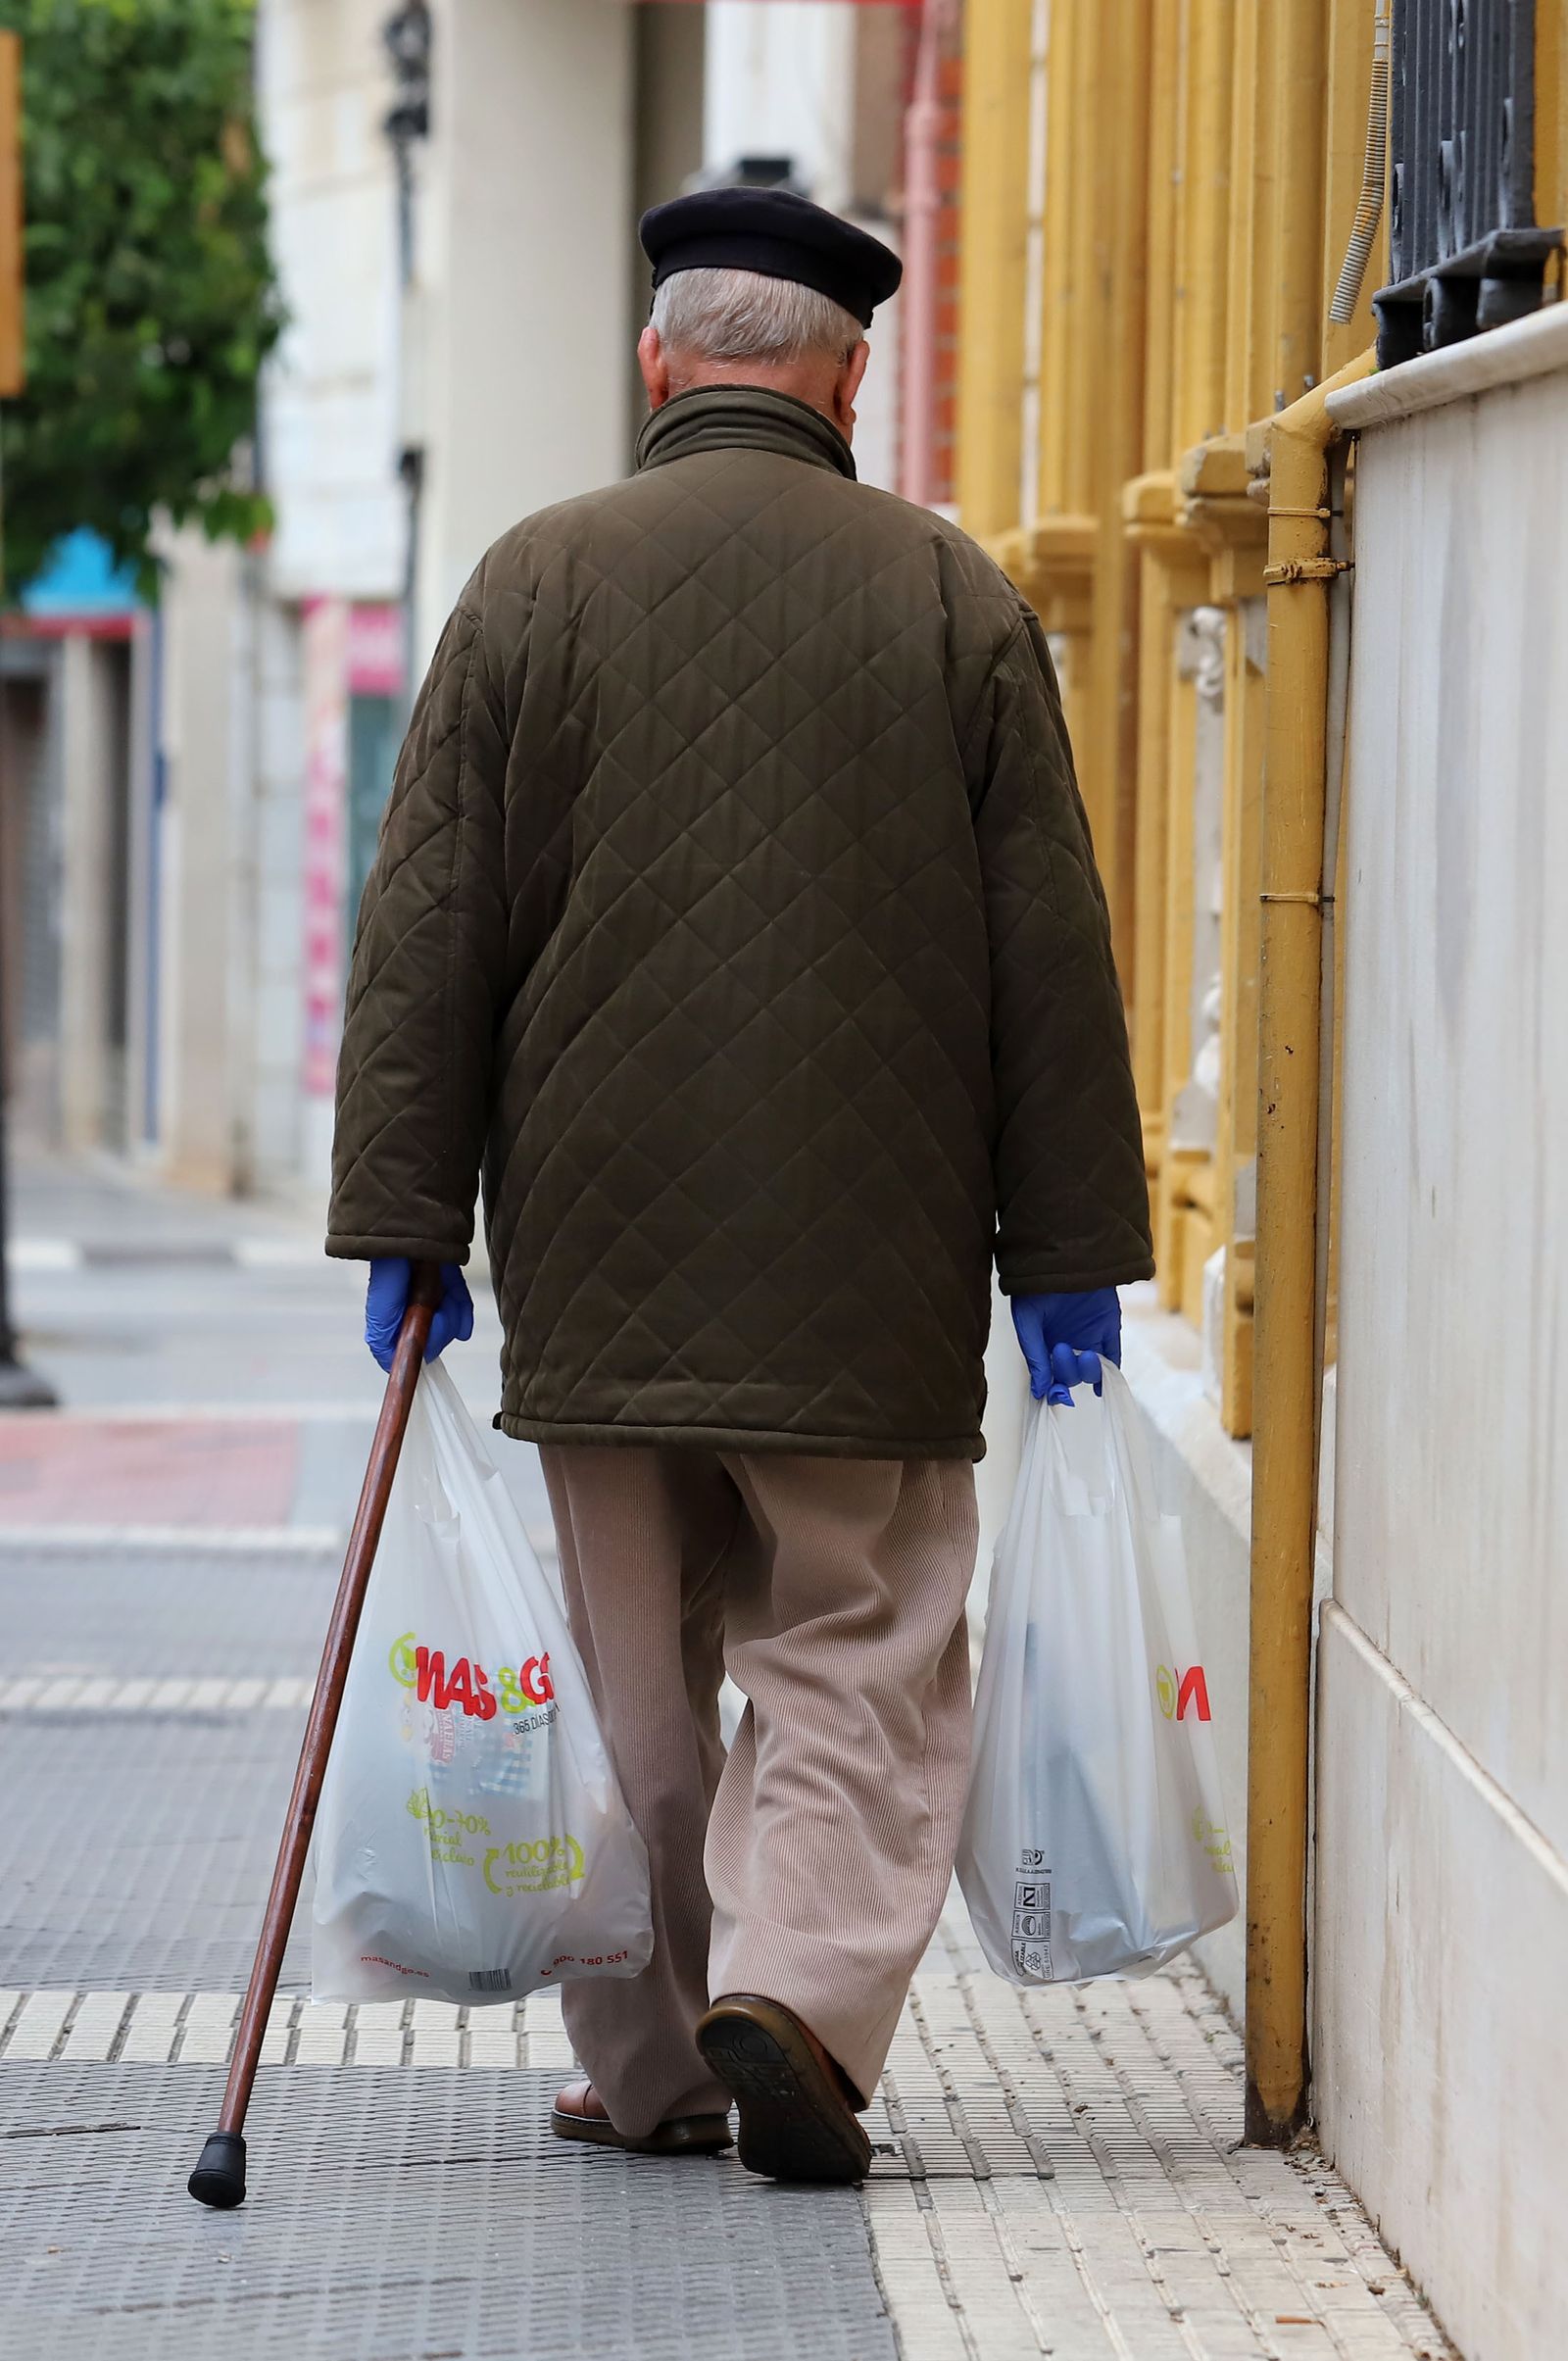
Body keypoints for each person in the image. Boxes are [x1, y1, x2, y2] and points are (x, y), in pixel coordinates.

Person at [329, 184, 1153, 2185]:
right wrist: (1067, 1263)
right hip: (863, 1276)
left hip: (596, 1273)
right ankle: (791, 1993)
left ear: (656, 361)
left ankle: (653, 2064)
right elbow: (1043, 956)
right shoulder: (951, 600)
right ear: (848, 372)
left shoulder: (529, 580)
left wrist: (407, 1222)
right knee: (852, 1646)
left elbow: (429, 929)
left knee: (643, 1685)